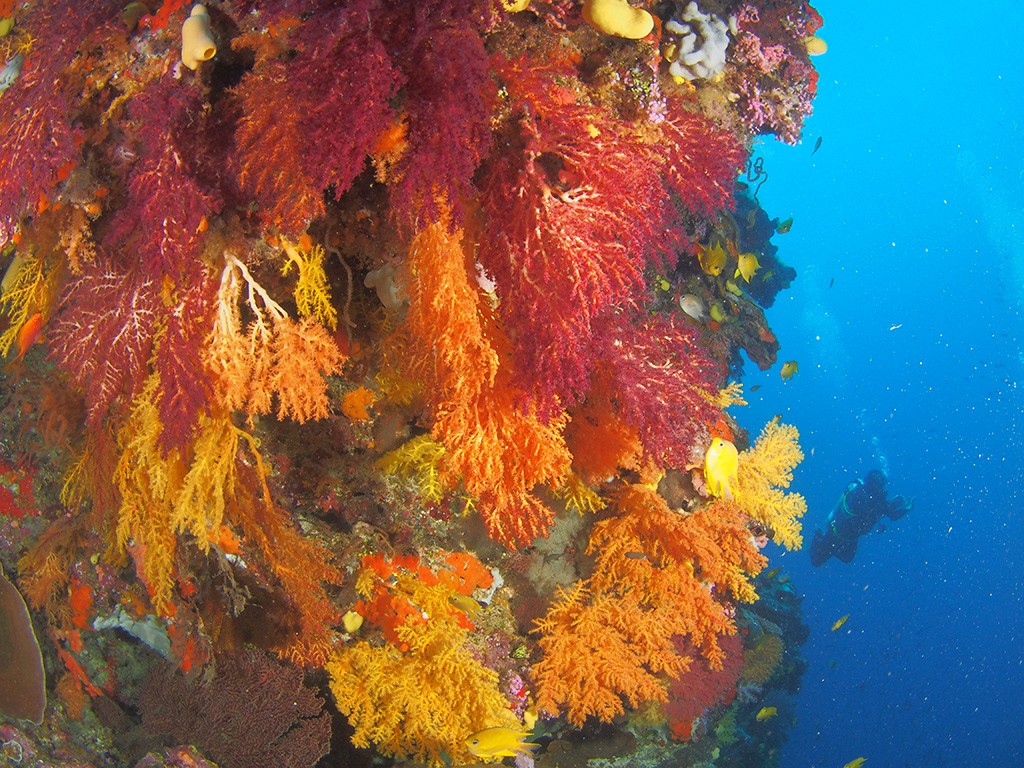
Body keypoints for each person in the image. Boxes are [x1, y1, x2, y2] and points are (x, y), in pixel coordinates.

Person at [809, 469, 913, 566]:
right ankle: (818, 536)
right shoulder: (860, 495)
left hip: (851, 538)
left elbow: (891, 515)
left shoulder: (877, 501)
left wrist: (905, 508)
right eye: (881, 484)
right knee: (816, 561)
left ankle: (825, 543)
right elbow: (868, 513)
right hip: (837, 532)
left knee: (847, 559)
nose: (883, 488)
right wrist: (889, 506)